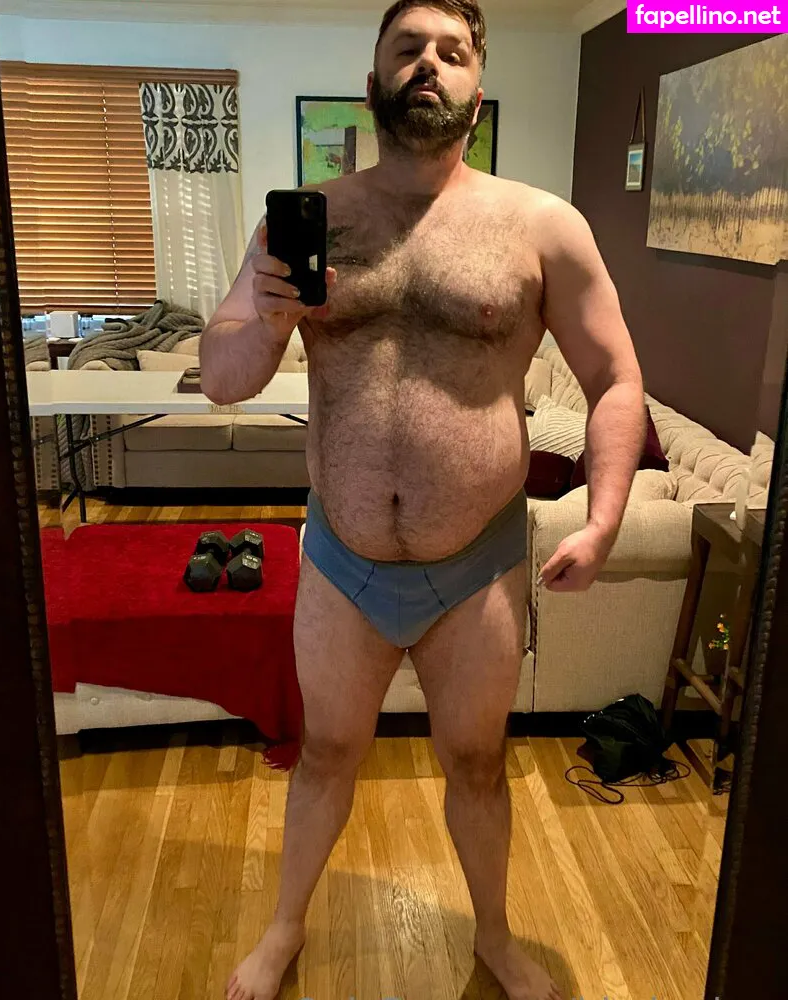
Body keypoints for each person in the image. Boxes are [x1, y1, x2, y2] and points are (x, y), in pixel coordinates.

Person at [201, 1, 645, 997]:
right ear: (375, 84)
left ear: (477, 94)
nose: (428, 65)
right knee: (325, 753)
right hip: (341, 560)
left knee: (478, 763)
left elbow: (616, 377)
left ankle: (494, 937)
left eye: (452, 52)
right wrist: (265, 320)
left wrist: (605, 516)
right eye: (408, 50)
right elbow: (223, 376)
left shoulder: (542, 226)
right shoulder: (307, 220)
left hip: (476, 568)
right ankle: (283, 931)